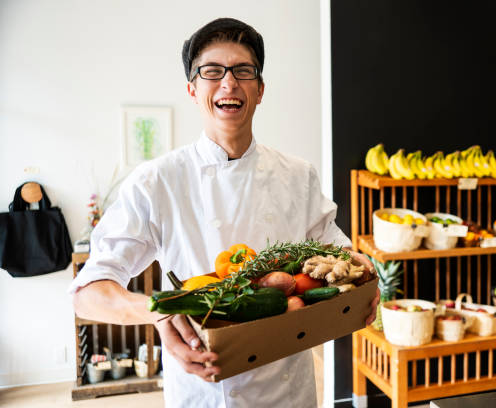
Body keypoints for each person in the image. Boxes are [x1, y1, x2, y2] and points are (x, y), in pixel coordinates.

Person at [70, 17, 378, 408]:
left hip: (290, 392)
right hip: (205, 391)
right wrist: (160, 313)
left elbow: (336, 252)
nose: (229, 83)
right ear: (192, 90)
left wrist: (364, 274)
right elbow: (88, 293)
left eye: (243, 71)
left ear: (261, 90)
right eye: (212, 72)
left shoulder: (298, 175)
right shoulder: (157, 181)